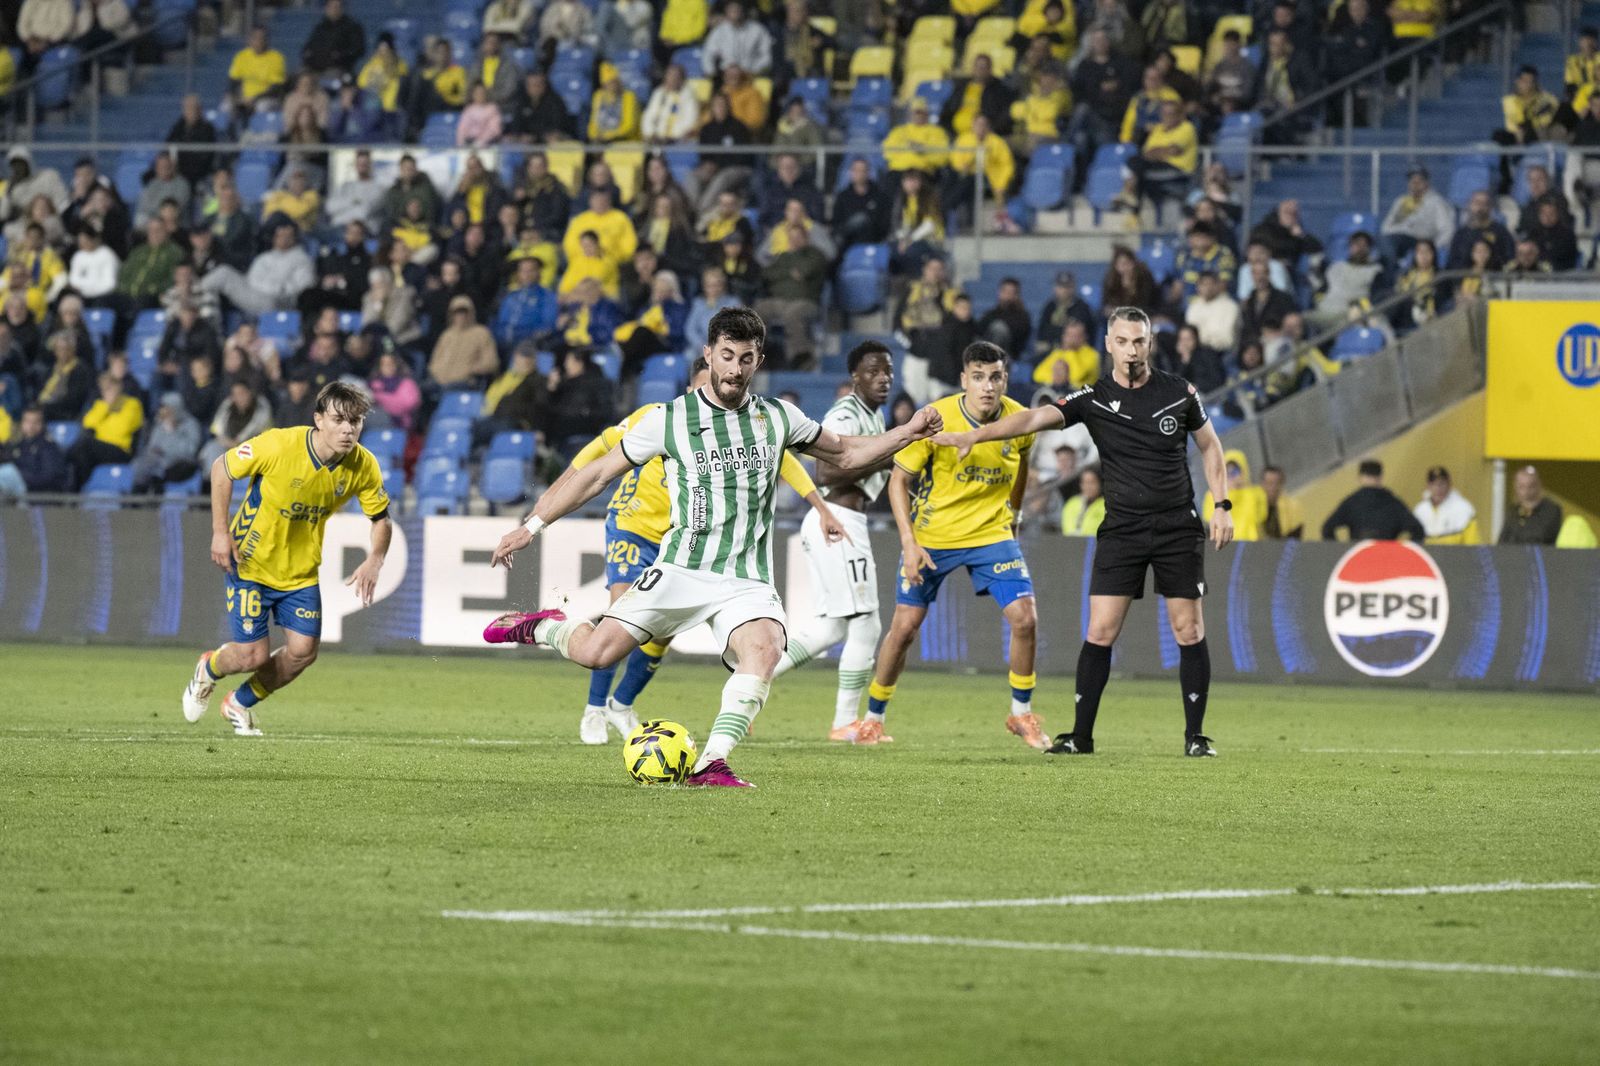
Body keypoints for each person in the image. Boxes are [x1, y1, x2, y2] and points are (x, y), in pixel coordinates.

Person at [483, 308, 941, 787]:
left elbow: (846, 452)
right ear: (708, 354)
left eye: (746, 358)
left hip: (745, 578)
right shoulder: (669, 420)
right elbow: (596, 474)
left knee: (764, 649)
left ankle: (712, 762)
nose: (735, 369)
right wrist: (531, 525)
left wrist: (906, 433)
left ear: (758, 360)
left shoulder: (777, 417)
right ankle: (547, 627)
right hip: (681, 568)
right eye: (726, 356)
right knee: (598, 653)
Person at [932, 307, 1236, 758]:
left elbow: (1210, 445)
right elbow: (1033, 420)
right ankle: (1080, 736)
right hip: (1122, 530)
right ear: (1108, 343)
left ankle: (1196, 736)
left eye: (1139, 341)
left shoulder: (1179, 392)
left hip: (1177, 526)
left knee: (1188, 629)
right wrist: (977, 436)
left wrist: (1222, 504)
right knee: (1100, 630)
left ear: (1149, 343)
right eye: (1123, 341)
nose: (1131, 350)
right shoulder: (1093, 397)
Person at [564, 354, 846, 743]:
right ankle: (594, 709)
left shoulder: (737, 428)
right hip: (633, 527)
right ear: (688, 390)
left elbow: (785, 461)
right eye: (700, 387)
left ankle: (621, 704)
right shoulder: (659, 416)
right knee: (622, 616)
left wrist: (820, 506)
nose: (707, 394)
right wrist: (554, 494)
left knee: (659, 636)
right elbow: (600, 448)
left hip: (681, 543)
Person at [860, 341, 1047, 750]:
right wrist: (908, 543)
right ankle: (873, 718)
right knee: (904, 629)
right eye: (978, 377)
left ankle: (1021, 714)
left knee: (1025, 619)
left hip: (991, 535)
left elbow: (1023, 468)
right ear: (964, 380)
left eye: (995, 377)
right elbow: (898, 481)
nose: (987, 386)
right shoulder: (935, 418)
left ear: (1005, 380)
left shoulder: (1019, 420)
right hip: (933, 538)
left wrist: (1014, 519)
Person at [180, 383, 390, 735]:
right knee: (253, 657)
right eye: (339, 419)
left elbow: (381, 519)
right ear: (318, 420)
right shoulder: (279, 444)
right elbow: (221, 467)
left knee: (304, 652)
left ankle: (239, 703)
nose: (348, 428)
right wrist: (220, 531)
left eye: (355, 421)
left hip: (300, 573)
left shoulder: (363, 465)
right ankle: (209, 667)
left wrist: (376, 559)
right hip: (249, 562)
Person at [749, 340, 896, 741]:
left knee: (831, 628)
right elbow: (827, 472)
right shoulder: (846, 413)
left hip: (840, 520)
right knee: (867, 623)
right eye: (872, 371)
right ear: (855, 377)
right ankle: (845, 722)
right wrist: (892, 454)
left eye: (887, 372)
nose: (882, 379)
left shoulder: (873, 416)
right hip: (838, 518)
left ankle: (751, 680)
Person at [66, 370, 144, 488]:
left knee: (85, 444)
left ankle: (64, 461)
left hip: (121, 450)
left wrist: (109, 409)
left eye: (109, 388)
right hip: (98, 450)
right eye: (104, 389)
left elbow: (123, 428)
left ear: (118, 387)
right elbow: (88, 423)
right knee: (79, 460)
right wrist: (106, 406)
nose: (106, 392)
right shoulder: (100, 405)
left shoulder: (132, 404)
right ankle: (78, 492)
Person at [1320, 459, 1426, 541]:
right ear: (1380, 477)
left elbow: (1327, 529)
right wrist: (1401, 553)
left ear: (1360, 477)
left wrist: (1341, 553)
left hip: (1359, 560)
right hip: (1387, 560)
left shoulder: (1352, 502)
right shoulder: (1393, 502)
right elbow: (1418, 531)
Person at [130, 391, 201, 492]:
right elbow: (153, 446)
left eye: (167, 408)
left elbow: (190, 450)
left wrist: (171, 433)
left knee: (159, 472)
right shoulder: (160, 424)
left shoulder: (191, 425)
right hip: (158, 463)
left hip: (181, 465)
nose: (163, 411)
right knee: (143, 466)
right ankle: (136, 500)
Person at [1380, 165, 1454, 263]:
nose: (1415, 183)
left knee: (1388, 249)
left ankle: (1392, 271)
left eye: (1419, 180)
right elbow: (1385, 227)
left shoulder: (1436, 202)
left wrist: (1432, 247)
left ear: (1427, 183)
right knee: (1384, 242)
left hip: (1419, 240)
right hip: (1397, 240)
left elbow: (1447, 230)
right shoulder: (1401, 201)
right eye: (1412, 180)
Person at [0, 407, 69, 495]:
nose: (31, 426)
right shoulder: (18, 444)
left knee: (8, 472)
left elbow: (48, 477)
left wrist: (21, 476)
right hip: (16, 490)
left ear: (42, 424)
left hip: (36, 493)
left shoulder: (49, 447)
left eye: (35, 422)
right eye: (27, 421)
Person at [1412, 465, 1479, 545]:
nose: (1438, 488)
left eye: (1442, 483)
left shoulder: (1464, 509)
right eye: (1434, 484)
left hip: (1455, 556)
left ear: (1449, 484)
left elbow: (1473, 545)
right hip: (1427, 557)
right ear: (1428, 486)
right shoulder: (1420, 511)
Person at [1499, 465, 1563, 545]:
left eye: (1531, 486)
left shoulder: (1551, 510)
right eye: (1522, 486)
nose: (1526, 491)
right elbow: (1502, 543)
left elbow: (1540, 536)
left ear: (1539, 485)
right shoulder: (1512, 512)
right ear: (1515, 487)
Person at [228, 25, 288, 110]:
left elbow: (276, 88)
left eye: (262, 38)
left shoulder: (276, 58)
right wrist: (237, 97)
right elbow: (233, 82)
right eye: (255, 38)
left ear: (267, 40)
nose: (259, 41)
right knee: (227, 105)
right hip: (244, 97)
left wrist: (255, 98)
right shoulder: (241, 56)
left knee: (262, 106)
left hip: (267, 98)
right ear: (249, 40)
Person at [301, 0, 365, 76]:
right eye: (330, 7)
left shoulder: (352, 27)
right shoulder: (320, 27)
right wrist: (307, 55)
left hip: (338, 68)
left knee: (329, 78)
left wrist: (340, 56)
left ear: (342, 8)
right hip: (314, 67)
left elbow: (358, 49)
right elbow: (309, 46)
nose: (333, 10)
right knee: (300, 77)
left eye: (336, 7)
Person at [1034, 318, 1100, 388]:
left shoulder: (1092, 355)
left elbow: (1076, 377)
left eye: (1074, 336)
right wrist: (1055, 380)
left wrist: (1071, 351)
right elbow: (1037, 375)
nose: (1069, 339)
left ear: (1084, 337)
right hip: (1059, 392)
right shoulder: (1058, 352)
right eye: (1068, 335)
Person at [1258, 465, 1303, 539]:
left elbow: (1295, 537)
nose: (1273, 488)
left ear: (1282, 484)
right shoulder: (1255, 508)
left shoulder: (1293, 506)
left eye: (1276, 483)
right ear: (1262, 484)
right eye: (1269, 483)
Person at [1061, 466, 1105, 536]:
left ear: (1100, 484)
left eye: (1092, 482)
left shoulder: (1106, 505)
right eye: (1085, 482)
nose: (1088, 486)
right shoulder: (1072, 503)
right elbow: (1066, 526)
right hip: (1071, 543)